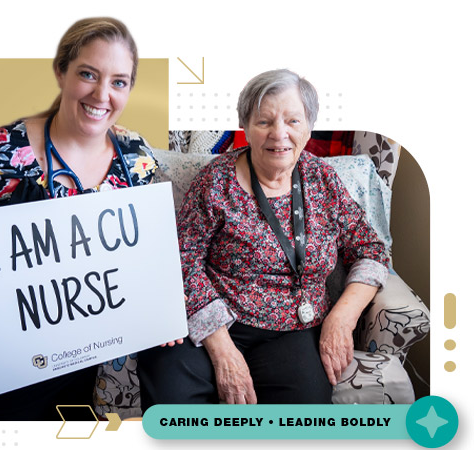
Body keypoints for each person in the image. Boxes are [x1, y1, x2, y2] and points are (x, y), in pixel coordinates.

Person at [0, 17, 162, 420]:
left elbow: (143, 259)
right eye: (88, 74)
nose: (101, 94)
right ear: (61, 72)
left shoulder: (137, 157)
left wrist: (162, 309)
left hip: (86, 358)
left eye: (118, 82)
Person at [138, 69, 389, 407]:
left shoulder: (323, 181)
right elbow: (183, 262)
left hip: (294, 331)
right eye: (264, 121)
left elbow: (371, 249)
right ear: (246, 127)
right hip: (215, 323)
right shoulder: (216, 183)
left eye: (293, 121)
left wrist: (342, 317)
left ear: (308, 126)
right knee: (172, 395)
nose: (279, 134)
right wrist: (222, 348)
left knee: (302, 414)